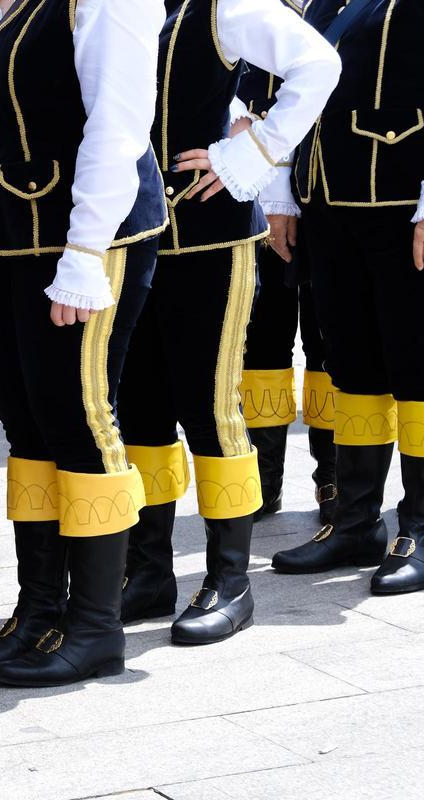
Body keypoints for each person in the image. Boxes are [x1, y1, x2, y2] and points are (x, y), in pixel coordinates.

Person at [0, 0, 166, 687]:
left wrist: (85, 250)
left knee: (80, 421)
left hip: (85, 236)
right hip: (2, 234)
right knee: (29, 428)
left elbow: (117, 124)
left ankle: (95, 627)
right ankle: (39, 610)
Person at [114, 0, 340, 644]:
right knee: (141, 408)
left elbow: (318, 63)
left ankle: (230, 580)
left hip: (209, 238)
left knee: (210, 407)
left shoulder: (220, 6)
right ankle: (149, 571)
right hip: (130, 237)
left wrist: (252, 152)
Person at [273, 0, 424, 596]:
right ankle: (357, 522)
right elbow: (296, 98)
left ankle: (420, 526)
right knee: (353, 368)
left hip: (402, 209)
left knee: (417, 369)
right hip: (330, 207)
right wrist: (283, 194)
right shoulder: (324, 2)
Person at [235, 0, 337, 526]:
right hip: (253, 187)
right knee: (262, 339)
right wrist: (274, 193)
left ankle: (334, 477)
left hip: (331, 190)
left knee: (330, 339)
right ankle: (263, 477)